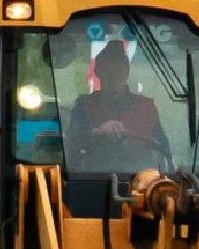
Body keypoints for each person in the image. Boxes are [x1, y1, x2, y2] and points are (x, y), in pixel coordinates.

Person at [69, 41, 170, 169]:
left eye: (118, 69)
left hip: (141, 180)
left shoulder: (147, 108)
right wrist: (99, 132)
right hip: (93, 178)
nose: (113, 76)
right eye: (107, 70)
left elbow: (164, 152)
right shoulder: (84, 105)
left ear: (127, 71)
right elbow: (73, 143)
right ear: (97, 71)